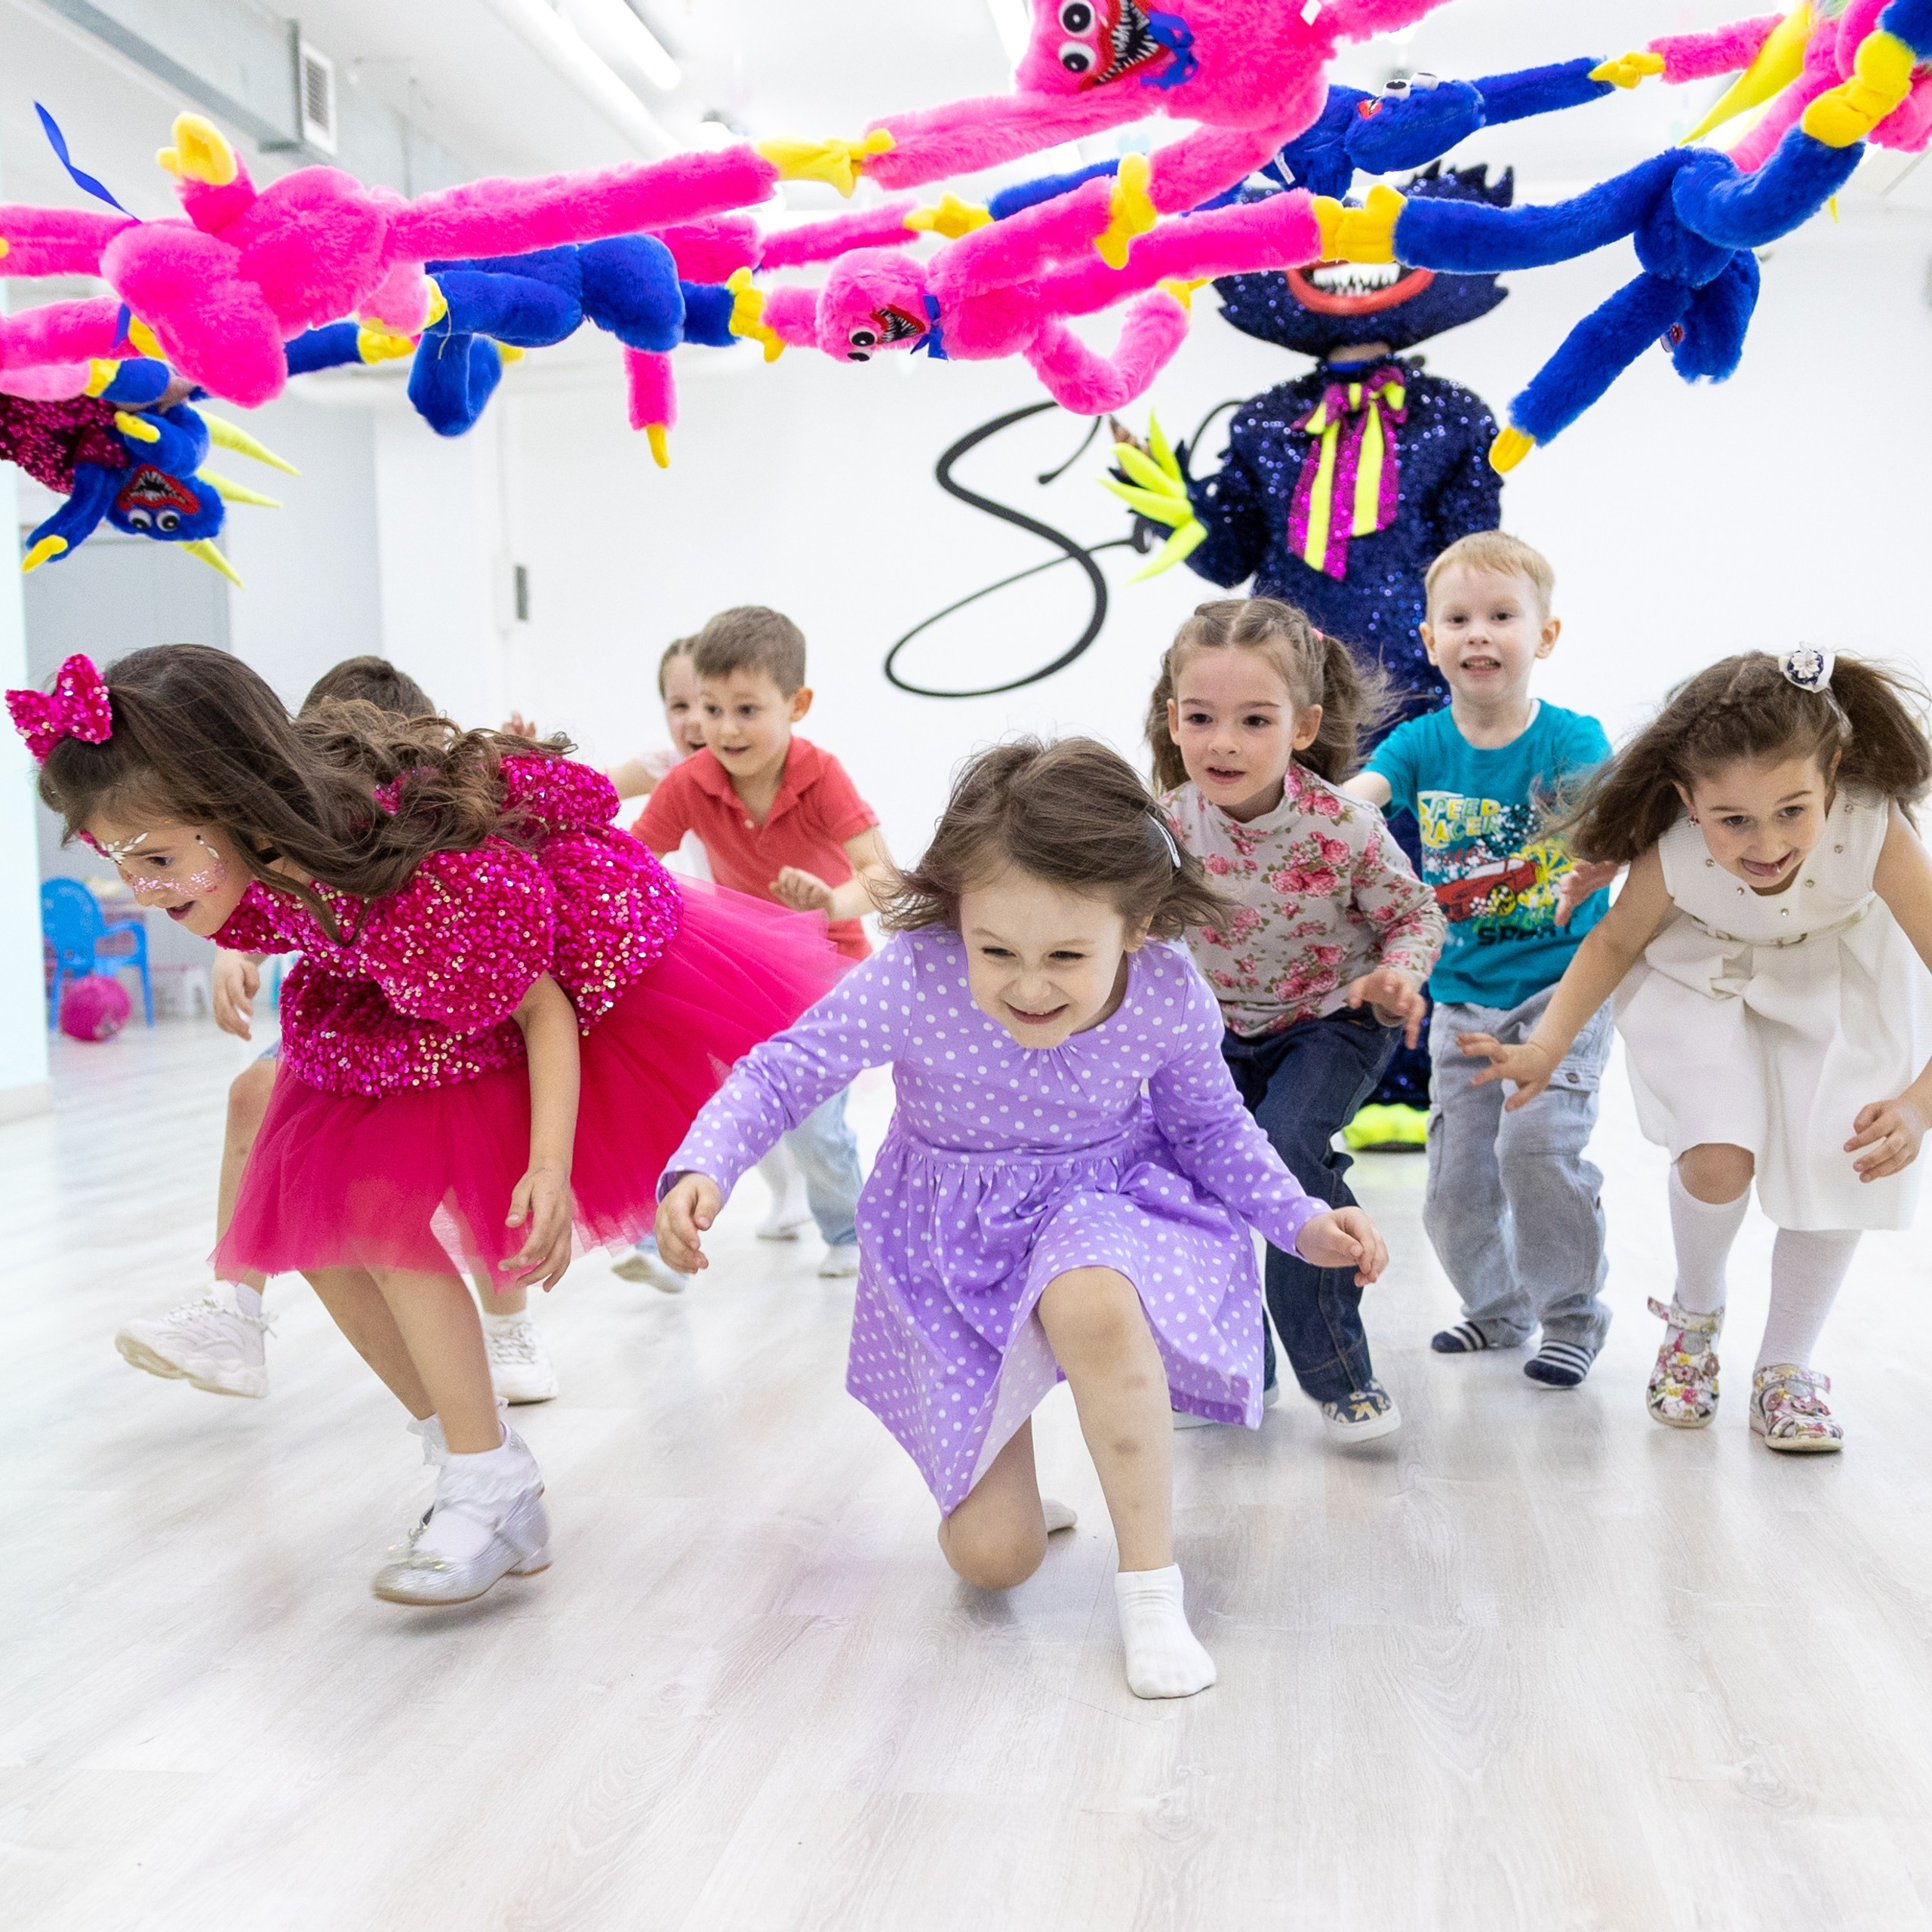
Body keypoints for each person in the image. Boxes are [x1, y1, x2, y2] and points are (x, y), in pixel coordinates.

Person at [13, 645, 841, 1607]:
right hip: (396, 987)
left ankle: (486, 1481)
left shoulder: (418, 894)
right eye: (121, 863)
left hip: (529, 986)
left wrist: (547, 1163)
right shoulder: (272, 864)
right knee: (309, 1224)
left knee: (372, 1216)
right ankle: (479, 1470)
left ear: (234, 809)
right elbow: (285, 913)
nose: (147, 891)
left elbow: (541, 1009)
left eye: (157, 859)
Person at [655, 739, 1388, 1700]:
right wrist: (706, 1159)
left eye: (1064, 956)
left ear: (1136, 926)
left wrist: (1298, 1220)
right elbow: (784, 1069)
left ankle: (1149, 1586)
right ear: (956, 916)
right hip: (949, 1245)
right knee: (992, 1560)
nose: (1027, 986)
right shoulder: (915, 975)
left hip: (1103, 1203)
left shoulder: (1165, 987)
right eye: (994, 949)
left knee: (1091, 1298)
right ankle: (1017, 1499)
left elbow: (1211, 1129)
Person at [1464, 648, 1932, 1451]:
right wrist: (1546, 1046)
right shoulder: (1677, 846)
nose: (1766, 844)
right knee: (1717, 1152)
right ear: (1688, 802)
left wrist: (1916, 1105)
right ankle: (1694, 1315)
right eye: (1733, 820)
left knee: (1839, 1152)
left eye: (1793, 810)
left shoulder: (1869, 823)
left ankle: (1786, 1367)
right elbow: (1612, 942)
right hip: (1701, 977)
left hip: (1834, 976)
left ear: (1834, 775)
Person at [112, 657, 563, 1406]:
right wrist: (236, 946)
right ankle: (235, 1312)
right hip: (344, 1021)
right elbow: (271, 885)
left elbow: (528, 987)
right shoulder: (281, 835)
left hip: (448, 1019)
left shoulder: (429, 850)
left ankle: (506, 1324)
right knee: (255, 1098)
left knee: (479, 1181)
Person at [1150, 598, 1444, 1442]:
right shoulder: (1165, 826)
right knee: (1199, 1182)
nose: (1223, 743)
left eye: (1253, 720)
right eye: (1200, 719)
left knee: (1284, 1153)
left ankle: (1340, 1374)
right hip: (1219, 1031)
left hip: (1334, 1018)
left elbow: (1415, 915)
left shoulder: (1344, 827)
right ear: (1173, 721)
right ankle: (1238, 1368)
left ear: (1303, 724)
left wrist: (1397, 974)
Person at [1343, 531, 1616, 1387]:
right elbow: (1362, 800)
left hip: (1561, 990)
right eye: (1457, 618)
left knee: (1534, 1149)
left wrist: (1604, 844)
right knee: (1457, 1187)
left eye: (1501, 616)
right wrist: (1302, 822)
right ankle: (1496, 1311)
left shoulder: (1572, 739)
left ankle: (1572, 1317)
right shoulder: (1420, 744)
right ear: (1429, 641)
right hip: (1461, 1001)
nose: (1478, 634)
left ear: (1544, 636)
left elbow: (1607, 816)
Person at [636, 606, 894, 1279]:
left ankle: (848, 1233)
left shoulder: (822, 774)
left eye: (747, 709)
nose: (722, 728)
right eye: (711, 709)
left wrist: (831, 902)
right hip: (745, 971)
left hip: (832, 970)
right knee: (688, 1089)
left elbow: (884, 875)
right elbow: (631, 856)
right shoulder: (691, 781)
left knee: (815, 1125)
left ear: (797, 704)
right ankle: (658, 1236)